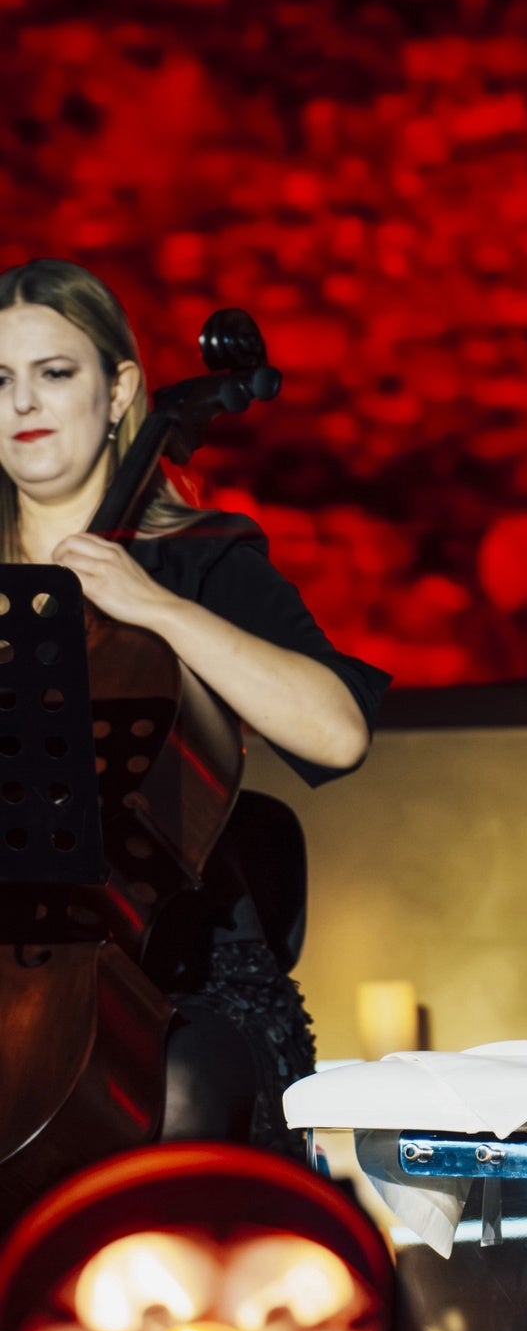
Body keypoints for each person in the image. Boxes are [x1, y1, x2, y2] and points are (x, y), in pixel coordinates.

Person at [0, 258, 388, 1149]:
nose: (22, 402)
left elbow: (337, 732)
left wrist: (156, 608)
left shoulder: (198, 560)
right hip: (15, 975)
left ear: (117, 390)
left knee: (172, 1090)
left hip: (186, 981)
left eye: (53, 373)